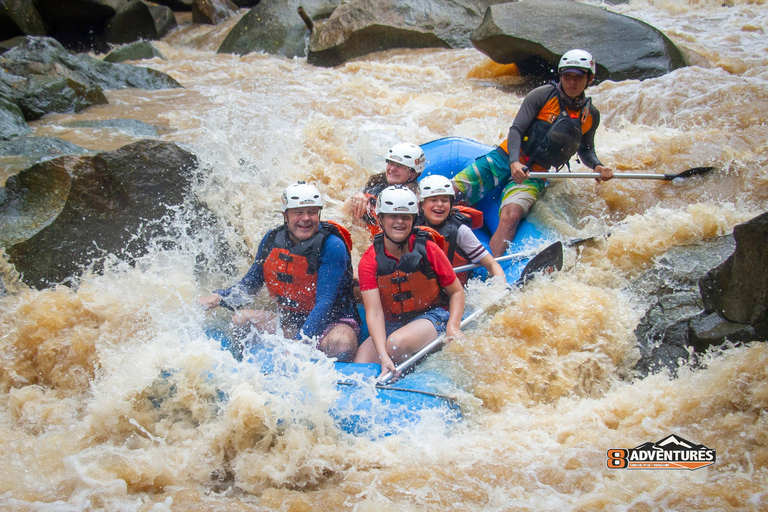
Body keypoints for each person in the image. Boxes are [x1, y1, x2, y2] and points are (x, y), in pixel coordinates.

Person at [451, 49, 614, 256]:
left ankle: (490, 274)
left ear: (589, 79)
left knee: (511, 215)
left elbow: (586, 149)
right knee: (450, 191)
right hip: (504, 157)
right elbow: (516, 129)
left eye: (578, 78)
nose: (572, 82)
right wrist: (513, 162)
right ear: (561, 76)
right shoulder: (543, 95)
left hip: (535, 173)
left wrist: (598, 166)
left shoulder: (590, 115)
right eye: (567, 76)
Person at [199, 182, 360, 362]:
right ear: (286, 215)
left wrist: (300, 342)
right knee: (240, 320)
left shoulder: (332, 245)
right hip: (291, 320)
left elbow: (325, 302)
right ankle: (241, 366)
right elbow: (250, 285)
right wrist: (220, 297)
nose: (306, 218)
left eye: (312, 212)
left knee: (342, 344)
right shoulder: (271, 239)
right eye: (298, 212)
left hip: (332, 324)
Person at [353, 185, 465, 378]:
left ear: (414, 219)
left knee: (396, 344)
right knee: (360, 364)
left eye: (405, 217)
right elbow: (375, 312)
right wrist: (382, 355)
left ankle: (409, 373)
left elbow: (456, 291)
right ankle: (394, 362)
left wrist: (453, 327)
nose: (399, 222)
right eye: (392, 216)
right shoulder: (369, 261)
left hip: (433, 317)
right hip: (393, 323)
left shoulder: (428, 249)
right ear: (380, 219)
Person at [416, 174, 507, 286]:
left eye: (444, 200)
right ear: (421, 205)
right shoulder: (411, 229)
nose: (439, 204)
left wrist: (501, 289)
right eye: (433, 200)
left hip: (457, 293)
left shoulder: (460, 231)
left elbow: (492, 265)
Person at [349, 142, 425, 236]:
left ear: (413, 174)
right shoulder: (376, 184)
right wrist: (357, 196)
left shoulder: (418, 200)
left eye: (399, 165)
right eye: (390, 163)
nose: (392, 169)